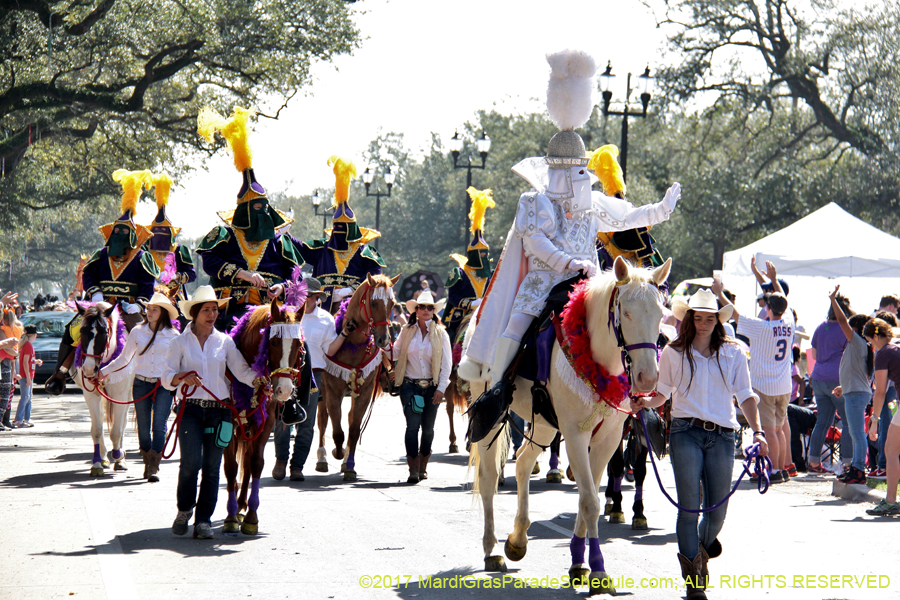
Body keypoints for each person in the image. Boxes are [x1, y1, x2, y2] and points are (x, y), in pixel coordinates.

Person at [460, 50, 680, 387]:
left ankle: (628, 393)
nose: (582, 176)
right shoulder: (534, 201)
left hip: (587, 286)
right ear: (559, 171)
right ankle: (497, 392)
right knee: (518, 322)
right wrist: (570, 264)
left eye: (583, 169)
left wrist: (660, 210)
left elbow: (626, 217)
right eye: (577, 170)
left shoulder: (591, 204)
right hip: (542, 283)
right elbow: (536, 243)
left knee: (621, 323)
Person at [634, 289, 767, 600]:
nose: (705, 323)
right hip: (685, 433)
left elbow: (745, 395)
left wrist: (758, 432)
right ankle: (694, 578)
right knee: (689, 508)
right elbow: (662, 395)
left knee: (718, 511)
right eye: (699, 317)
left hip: (723, 435)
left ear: (717, 321)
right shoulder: (672, 352)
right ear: (690, 319)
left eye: (710, 318)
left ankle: (699, 555)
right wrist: (645, 403)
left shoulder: (734, 352)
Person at [45, 170, 160, 395]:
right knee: (74, 330)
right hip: (98, 305)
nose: (117, 236)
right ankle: (59, 373)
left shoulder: (142, 256)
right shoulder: (101, 253)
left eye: (122, 233)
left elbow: (148, 284)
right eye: (114, 232)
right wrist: (95, 293)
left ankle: (151, 381)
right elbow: (88, 275)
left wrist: (140, 304)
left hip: (128, 307)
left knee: (148, 336)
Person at [161, 286, 259, 539]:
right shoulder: (179, 342)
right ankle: (185, 510)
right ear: (194, 313)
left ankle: (203, 520)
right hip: (190, 409)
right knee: (191, 463)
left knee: (212, 466)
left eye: (215, 309)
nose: (212, 314)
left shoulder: (225, 342)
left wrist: (259, 380)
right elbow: (165, 378)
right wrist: (181, 377)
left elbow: (241, 371)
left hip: (219, 412)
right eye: (206, 310)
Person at [195, 106, 303, 331]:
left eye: (265, 208)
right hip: (230, 310)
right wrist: (244, 274)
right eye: (256, 208)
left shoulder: (280, 240)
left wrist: (282, 288)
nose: (262, 213)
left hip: (273, 310)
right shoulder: (224, 235)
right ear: (244, 211)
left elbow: (295, 275)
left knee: (302, 350)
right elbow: (210, 262)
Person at [714, 262, 792, 482]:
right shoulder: (790, 321)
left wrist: (720, 294)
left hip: (765, 385)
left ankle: (774, 471)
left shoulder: (762, 327)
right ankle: (782, 468)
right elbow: (782, 300)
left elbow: (736, 315)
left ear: (768, 308)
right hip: (784, 385)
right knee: (778, 430)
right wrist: (774, 279)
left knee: (770, 432)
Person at [100, 292, 180, 482]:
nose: (149, 312)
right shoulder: (137, 331)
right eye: (148, 309)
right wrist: (103, 371)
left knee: (159, 426)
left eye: (154, 309)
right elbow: (124, 358)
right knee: (143, 428)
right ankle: (147, 460)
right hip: (141, 383)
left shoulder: (174, 335)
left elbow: (179, 363)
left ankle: (153, 465)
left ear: (163, 313)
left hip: (164, 385)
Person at [295, 157, 386, 313]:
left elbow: (375, 276)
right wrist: (284, 235)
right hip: (320, 306)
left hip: (354, 306)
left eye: (343, 228)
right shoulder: (322, 249)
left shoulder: (365, 252)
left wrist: (349, 290)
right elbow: (300, 248)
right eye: (336, 227)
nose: (339, 231)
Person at [384, 291, 451, 484]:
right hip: (409, 385)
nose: (426, 310)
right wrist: (382, 345)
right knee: (412, 426)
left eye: (430, 307)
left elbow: (446, 365)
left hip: (432, 387)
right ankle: (413, 468)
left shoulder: (441, 333)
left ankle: (423, 464)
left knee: (428, 429)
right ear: (416, 310)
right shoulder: (407, 330)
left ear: (433, 311)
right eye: (422, 307)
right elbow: (395, 353)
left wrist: (441, 389)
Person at [272, 278, 334, 481]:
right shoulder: (285, 314)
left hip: (313, 375)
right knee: (282, 420)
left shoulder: (326, 319)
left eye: (310, 295)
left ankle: (297, 466)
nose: (305, 298)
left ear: (317, 298)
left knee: (306, 423)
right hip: (286, 372)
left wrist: (346, 335)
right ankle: (281, 461)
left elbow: (331, 350)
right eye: (302, 294)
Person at [826, 286, 873, 485]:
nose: (847, 330)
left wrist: (833, 300)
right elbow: (856, 373)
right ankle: (856, 467)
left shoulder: (858, 342)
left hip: (856, 395)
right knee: (855, 433)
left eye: (850, 327)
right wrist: (843, 387)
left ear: (856, 329)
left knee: (856, 434)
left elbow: (843, 321)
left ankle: (859, 470)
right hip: (854, 392)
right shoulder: (860, 345)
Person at [806, 292, 853, 474]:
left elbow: (815, 356)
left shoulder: (820, 327)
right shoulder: (845, 329)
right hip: (837, 380)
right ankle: (847, 464)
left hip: (818, 377)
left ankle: (814, 463)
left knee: (822, 422)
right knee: (848, 422)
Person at [442, 187, 494, 343]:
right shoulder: (459, 272)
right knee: (449, 337)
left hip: (486, 313)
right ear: (473, 255)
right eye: (481, 253)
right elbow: (453, 297)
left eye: (486, 253)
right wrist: (471, 304)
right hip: (463, 314)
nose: (484, 256)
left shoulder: (492, 273)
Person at [142, 173, 197, 303]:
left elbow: (192, 274)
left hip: (174, 295)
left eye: (164, 231)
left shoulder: (179, 250)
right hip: (149, 294)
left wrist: (176, 276)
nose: (160, 235)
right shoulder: (144, 249)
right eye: (157, 231)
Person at [865, 318, 900, 515]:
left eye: (870, 341)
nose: (871, 345)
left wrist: (874, 421)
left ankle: (890, 501)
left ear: (876, 336)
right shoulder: (895, 348)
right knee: (892, 449)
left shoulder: (883, 353)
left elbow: (879, 392)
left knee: (891, 450)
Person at [13, 325, 42, 428]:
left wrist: (35, 361)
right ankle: (19, 420)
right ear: (34, 335)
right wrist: (29, 378)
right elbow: (25, 363)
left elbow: (28, 360)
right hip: (26, 375)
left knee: (29, 397)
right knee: (25, 397)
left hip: (27, 374)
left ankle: (26, 418)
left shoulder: (26, 345)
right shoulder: (28, 345)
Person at [1, 305, 23, 430]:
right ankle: (4, 420)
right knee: (6, 395)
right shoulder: (10, 330)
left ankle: (5, 420)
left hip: (8, 363)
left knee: (7, 395)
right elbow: (13, 353)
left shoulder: (5, 330)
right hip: (6, 363)